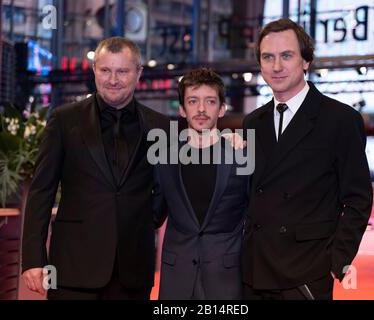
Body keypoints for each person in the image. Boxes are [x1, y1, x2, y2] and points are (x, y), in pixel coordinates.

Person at [21, 37, 169, 300]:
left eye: (122, 71)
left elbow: (166, 188)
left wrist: (144, 221)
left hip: (133, 269)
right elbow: (41, 191)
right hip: (72, 267)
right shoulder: (64, 120)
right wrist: (33, 259)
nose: (113, 79)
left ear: (138, 73)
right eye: (105, 70)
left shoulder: (160, 126)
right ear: (95, 70)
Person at [241, 18, 373, 300]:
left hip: (305, 273)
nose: (276, 66)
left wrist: (336, 261)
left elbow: (358, 199)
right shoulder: (253, 122)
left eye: (286, 56)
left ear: (306, 61)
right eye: (268, 57)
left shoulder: (340, 120)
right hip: (254, 271)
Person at [153, 68, 249, 299]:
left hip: (226, 279)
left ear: (222, 108)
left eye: (210, 101)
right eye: (193, 101)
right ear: (183, 110)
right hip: (177, 278)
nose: (202, 109)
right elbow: (152, 215)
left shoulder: (242, 156)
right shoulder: (164, 159)